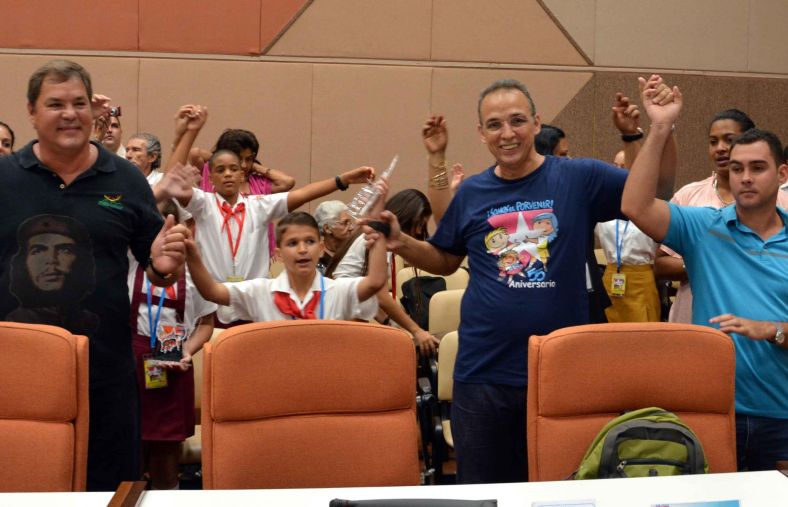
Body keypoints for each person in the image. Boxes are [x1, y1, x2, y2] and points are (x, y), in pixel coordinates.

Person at [379, 77, 675, 484]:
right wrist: (403, 242)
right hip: (483, 372)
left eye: (517, 121)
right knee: (484, 489)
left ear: (537, 123)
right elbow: (446, 260)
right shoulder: (473, 192)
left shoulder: (578, 177)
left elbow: (655, 189)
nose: (508, 133)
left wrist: (640, 133)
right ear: (482, 134)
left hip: (560, 370)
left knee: (560, 488)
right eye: (495, 125)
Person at [0, 59, 188, 491]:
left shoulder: (125, 178)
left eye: (79, 103)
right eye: (55, 103)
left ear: (93, 110)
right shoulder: (4, 178)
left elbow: (155, 266)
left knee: (108, 490)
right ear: (31, 111)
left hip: (105, 374)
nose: (70, 113)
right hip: (14, 373)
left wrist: (162, 268)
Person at [621, 76, 788, 472]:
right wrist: (660, 127)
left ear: (782, 174)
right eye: (737, 168)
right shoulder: (702, 228)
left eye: (758, 168)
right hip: (712, 411)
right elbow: (635, 204)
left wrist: (772, 330)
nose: (745, 177)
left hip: (782, 416)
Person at [161, 147, 374, 327]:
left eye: (234, 169)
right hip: (211, 302)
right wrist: (187, 132)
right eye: (220, 170)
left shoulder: (259, 206)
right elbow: (171, 182)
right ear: (211, 177)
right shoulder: (203, 203)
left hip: (253, 304)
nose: (227, 174)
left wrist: (341, 180)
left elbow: (302, 194)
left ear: (242, 175)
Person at [654, 109, 788, 323]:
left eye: (729, 140)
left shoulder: (781, 203)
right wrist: (707, 259)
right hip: (695, 321)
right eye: (713, 142)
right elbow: (660, 264)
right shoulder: (689, 195)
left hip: (765, 330)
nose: (720, 149)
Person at [128, 200, 215, 490]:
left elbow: (206, 323)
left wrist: (189, 349)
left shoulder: (194, 274)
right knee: (128, 454)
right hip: (129, 369)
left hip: (174, 365)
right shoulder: (128, 265)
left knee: (166, 458)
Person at [185, 209, 388, 323]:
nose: (302, 249)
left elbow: (375, 282)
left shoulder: (337, 290)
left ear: (320, 248)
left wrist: (377, 234)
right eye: (292, 243)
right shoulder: (260, 292)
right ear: (279, 254)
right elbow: (211, 291)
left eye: (309, 242)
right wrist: (192, 254)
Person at [329, 189, 441, 356]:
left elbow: (371, 297)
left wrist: (390, 323)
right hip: (341, 316)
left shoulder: (376, 235)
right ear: (407, 217)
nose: (419, 232)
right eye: (419, 224)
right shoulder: (380, 238)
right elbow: (380, 294)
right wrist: (416, 331)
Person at [594, 92, 661, 322]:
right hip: (611, 275)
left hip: (641, 277)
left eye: (624, 165)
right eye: (615, 165)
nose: (619, 170)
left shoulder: (650, 204)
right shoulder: (602, 205)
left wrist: (631, 136)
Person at [6, 214, 99, 335]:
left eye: (65, 250)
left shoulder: (89, 321)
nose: (51, 260)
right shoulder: (14, 324)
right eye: (38, 250)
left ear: (81, 261)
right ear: (23, 262)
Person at [313, 200, 353, 272]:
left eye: (350, 222)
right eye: (345, 223)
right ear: (327, 228)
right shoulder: (316, 260)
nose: (351, 228)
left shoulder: (353, 252)